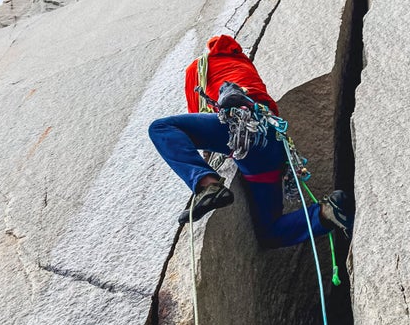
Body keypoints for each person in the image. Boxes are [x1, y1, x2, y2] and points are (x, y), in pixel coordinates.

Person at [148, 34, 353, 249]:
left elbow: (197, 110)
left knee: (161, 128)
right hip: (272, 145)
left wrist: (204, 160)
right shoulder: (243, 62)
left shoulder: (198, 67)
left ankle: (208, 186)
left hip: (239, 129)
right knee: (269, 230)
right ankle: (328, 211)